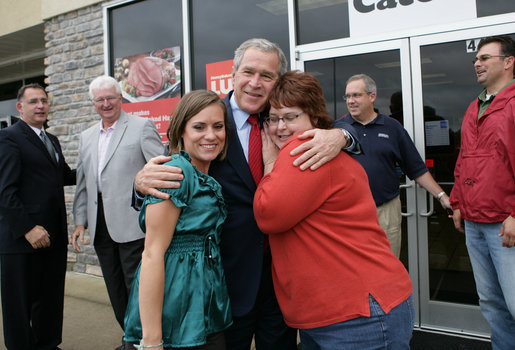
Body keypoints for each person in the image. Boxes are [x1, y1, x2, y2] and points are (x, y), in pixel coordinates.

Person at [133, 38, 359, 350]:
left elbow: (344, 126)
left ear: (276, 81)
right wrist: (140, 185)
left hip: (284, 278)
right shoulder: (208, 119)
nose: (255, 83)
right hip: (225, 281)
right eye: (248, 72)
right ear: (234, 72)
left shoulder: (284, 117)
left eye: (266, 76)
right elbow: (169, 174)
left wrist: (342, 136)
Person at [253, 70, 414, 349]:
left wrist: (268, 165)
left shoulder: (305, 151)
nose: (280, 127)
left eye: (291, 117)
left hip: (358, 317)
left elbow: (268, 215)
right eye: (274, 118)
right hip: (344, 313)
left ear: (314, 119)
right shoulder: (328, 148)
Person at [124, 90, 232, 350]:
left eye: (218, 126)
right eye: (199, 126)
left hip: (206, 304)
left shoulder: (203, 171)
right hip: (174, 307)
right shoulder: (175, 172)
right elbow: (152, 254)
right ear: (180, 131)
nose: (211, 135)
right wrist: (151, 341)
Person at [71, 75, 164, 349]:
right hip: (100, 225)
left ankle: (144, 339)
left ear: (121, 98)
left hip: (134, 222)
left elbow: (159, 168)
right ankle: (130, 337)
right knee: (114, 287)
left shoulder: (141, 127)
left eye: (110, 97)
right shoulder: (86, 136)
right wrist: (80, 222)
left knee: (137, 287)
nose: (106, 103)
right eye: (100, 99)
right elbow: (83, 183)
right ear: (93, 103)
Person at [334, 74, 452, 257]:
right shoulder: (337, 129)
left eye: (356, 95)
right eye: (347, 96)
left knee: (387, 267)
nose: (350, 101)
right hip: (349, 213)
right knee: (352, 269)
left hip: (385, 211)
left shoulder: (392, 127)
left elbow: (416, 168)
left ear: (372, 96)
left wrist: (442, 196)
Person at [449, 35, 515, 350]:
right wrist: (458, 202)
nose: (478, 62)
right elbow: (464, 160)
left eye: (486, 57)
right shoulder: (474, 106)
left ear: (509, 62)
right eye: (477, 58)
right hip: (474, 222)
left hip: (506, 225)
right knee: (490, 301)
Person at [0, 84, 76, 349]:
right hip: (22, 238)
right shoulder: (8, 137)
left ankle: (48, 343)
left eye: (44, 100)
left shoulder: (51, 140)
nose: (41, 106)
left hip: (53, 235)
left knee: (50, 297)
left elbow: (65, 176)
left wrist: (102, 168)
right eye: (33, 101)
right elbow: (4, 192)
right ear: (20, 107)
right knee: (18, 303)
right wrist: (28, 228)